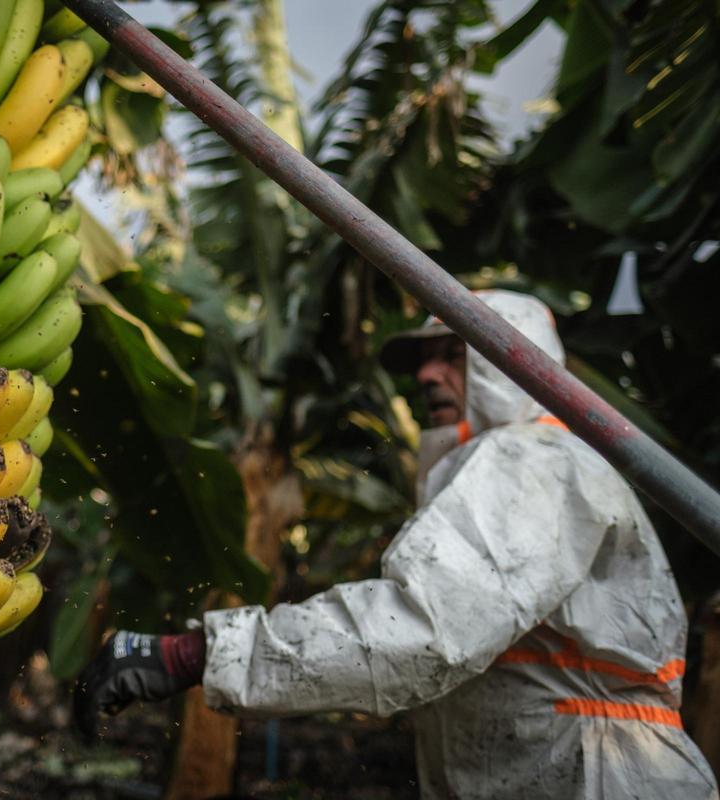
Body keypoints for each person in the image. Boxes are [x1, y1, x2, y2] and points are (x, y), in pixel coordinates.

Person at [74, 290, 719, 798]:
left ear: (515, 364)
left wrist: (194, 653)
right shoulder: (521, 466)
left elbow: (421, 628)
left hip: (599, 779)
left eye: (455, 352)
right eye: (420, 361)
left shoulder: (534, 461)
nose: (428, 375)